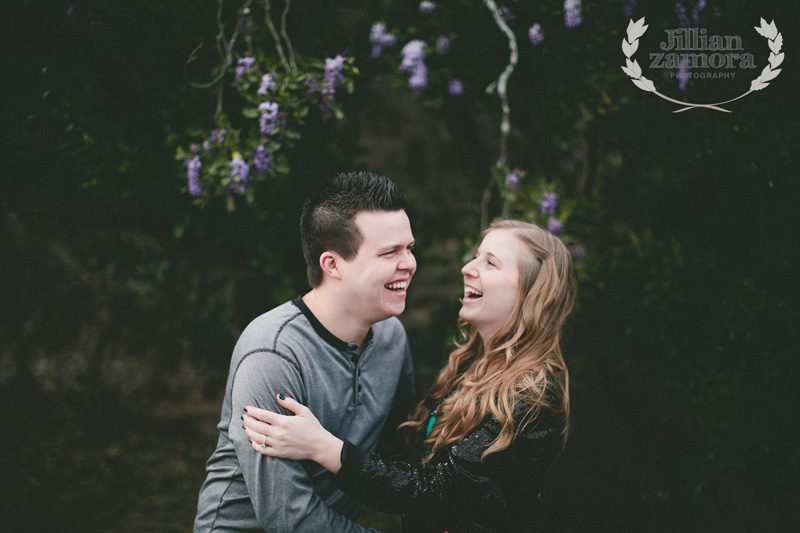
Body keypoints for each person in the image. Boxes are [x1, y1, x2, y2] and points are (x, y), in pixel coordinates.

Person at [242, 219, 576, 532]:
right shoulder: (473, 364)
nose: (467, 269)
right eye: (475, 257)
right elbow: (408, 455)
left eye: (489, 263)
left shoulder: (531, 393)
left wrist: (323, 447)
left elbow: (435, 493)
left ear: (531, 293)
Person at [194, 172, 417, 532]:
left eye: (409, 248)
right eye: (389, 252)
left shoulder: (392, 337)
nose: (408, 263)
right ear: (333, 265)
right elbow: (288, 517)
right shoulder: (272, 353)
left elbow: (400, 457)